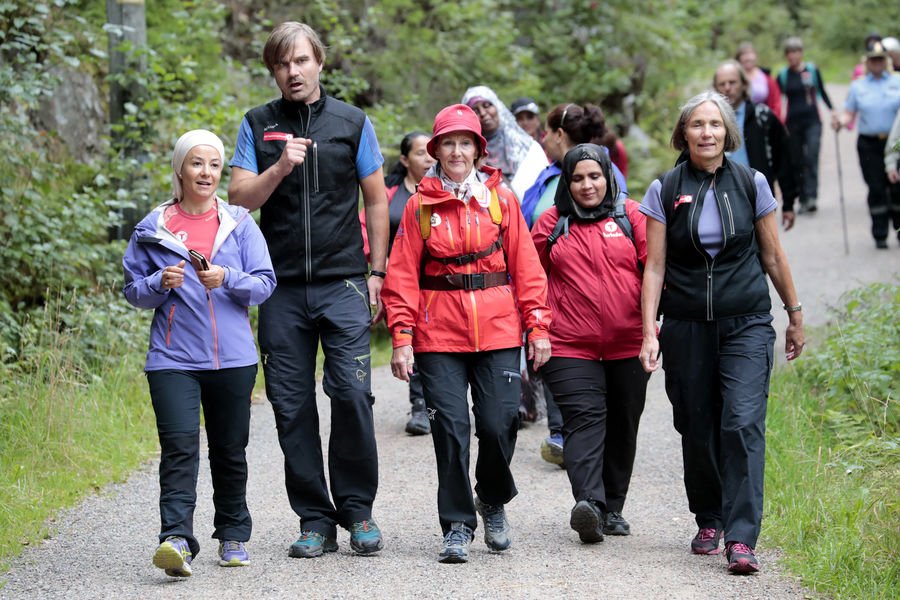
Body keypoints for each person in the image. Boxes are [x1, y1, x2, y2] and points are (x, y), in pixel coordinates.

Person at [227, 21, 390, 558]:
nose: (292, 71)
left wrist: (377, 272)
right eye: (281, 64)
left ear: (319, 61)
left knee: (349, 394)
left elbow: (376, 199)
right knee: (290, 404)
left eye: (300, 61)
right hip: (280, 288)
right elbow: (240, 197)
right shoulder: (258, 123)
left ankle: (358, 510)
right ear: (272, 70)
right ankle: (315, 518)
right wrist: (280, 166)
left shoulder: (352, 121)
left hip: (343, 281)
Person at [639, 91, 805, 575]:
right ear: (683, 134)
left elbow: (773, 256)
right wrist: (650, 330)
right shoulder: (665, 188)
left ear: (727, 133)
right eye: (697, 125)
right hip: (686, 325)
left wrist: (793, 312)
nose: (707, 132)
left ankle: (741, 536)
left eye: (715, 124)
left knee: (743, 422)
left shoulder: (751, 183)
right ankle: (708, 517)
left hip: (747, 322)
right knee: (696, 423)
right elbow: (654, 267)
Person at [381, 104, 552, 563]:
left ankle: (492, 499)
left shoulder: (503, 201)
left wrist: (537, 325)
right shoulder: (420, 206)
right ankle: (456, 524)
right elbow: (400, 277)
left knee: (500, 424)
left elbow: (527, 269)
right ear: (436, 150)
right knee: (451, 431)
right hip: (439, 336)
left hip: (498, 331)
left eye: (466, 143)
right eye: (449, 144)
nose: (457, 152)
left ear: (479, 149)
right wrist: (402, 338)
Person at [123, 129, 277, 577]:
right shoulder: (154, 229)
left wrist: (227, 277)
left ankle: (232, 534)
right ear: (180, 169)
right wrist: (158, 283)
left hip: (233, 359)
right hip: (172, 359)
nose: (205, 172)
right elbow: (133, 291)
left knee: (230, 451)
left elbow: (265, 285)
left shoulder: (240, 222)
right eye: (196, 163)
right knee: (178, 447)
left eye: (213, 164)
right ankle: (175, 538)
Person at [531, 144, 649, 544]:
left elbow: (655, 270)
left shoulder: (632, 217)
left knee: (623, 422)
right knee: (584, 420)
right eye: (577, 178)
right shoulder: (551, 223)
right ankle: (590, 506)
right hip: (568, 344)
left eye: (594, 176)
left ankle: (613, 507)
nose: (586, 185)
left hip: (629, 341)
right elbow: (531, 280)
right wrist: (537, 329)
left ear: (609, 177)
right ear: (567, 182)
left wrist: (652, 329)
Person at [520, 102, 629, 466]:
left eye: (548, 133)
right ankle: (563, 433)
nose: (545, 140)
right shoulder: (555, 176)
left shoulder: (599, 175)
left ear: (560, 135)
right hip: (553, 298)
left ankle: (575, 436)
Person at [361, 131, 436, 434]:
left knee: (431, 343)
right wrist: (380, 265)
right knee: (409, 338)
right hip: (399, 278)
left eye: (431, 151)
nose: (428, 158)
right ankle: (420, 406)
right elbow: (367, 229)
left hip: (435, 280)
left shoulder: (442, 189)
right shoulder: (389, 191)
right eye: (420, 153)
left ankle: (437, 403)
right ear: (404, 159)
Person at [714, 60, 799, 229]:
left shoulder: (763, 117)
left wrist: (788, 203)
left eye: (732, 82)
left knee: (765, 252)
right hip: (718, 200)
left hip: (758, 199)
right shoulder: (708, 121)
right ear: (715, 88)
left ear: (744, 84)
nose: (727, 88)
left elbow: (783, 159)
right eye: (722, 84)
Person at [833, 41, 900, 249]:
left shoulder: (897, 81)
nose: (877, 63)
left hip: (896, 142)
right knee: (876, 187)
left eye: (880, 59)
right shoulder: (858, 86)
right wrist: (840, 122)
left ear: (886, 61)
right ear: (867, 62)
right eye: (873, 59)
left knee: (897, 188)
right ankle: (879, 233)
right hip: (869, 144)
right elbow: (849, 113)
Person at [461, 85, 549, 200]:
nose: (483, 113)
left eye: (487, 105)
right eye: (475, 110)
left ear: (498, 107)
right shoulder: (465, 156)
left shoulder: (528, 147)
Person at [777, 36, 833, 214]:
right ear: (786, 55)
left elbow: (822, 92)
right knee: (797, 161)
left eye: (796, 52)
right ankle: (802, 198)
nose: (793, 56)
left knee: (811, 157)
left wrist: (834, 111)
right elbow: (777, 101)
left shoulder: (812, 71)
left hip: (813, 121)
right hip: (792, 124)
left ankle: (812, 197)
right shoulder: (783, 76)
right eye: (790, 52)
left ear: (801, 53)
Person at [735, 41, 782, 120]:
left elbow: (776, 102)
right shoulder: (733, 77)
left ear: (756, 56)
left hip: (763, 121)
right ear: (739, 58)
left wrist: (773, 120)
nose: (748, 57)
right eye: (744, 54)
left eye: (750, 54)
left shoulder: (766, 78)